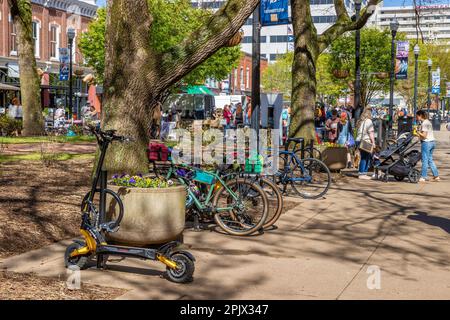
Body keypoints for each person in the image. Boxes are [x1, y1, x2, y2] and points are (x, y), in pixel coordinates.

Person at [415, 110, 440, 182]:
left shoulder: (424, 123)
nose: (416, 118)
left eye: (417, 116)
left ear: (420, 116)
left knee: (425, 160)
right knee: (430, 160)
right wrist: (418, 134)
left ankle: (423, 176)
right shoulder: (428, 122)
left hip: (427, 143)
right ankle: (436, 175)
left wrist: (417, 131)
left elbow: (424, 136)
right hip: (432, 142)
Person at [356, 108, 376, 179]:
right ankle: (362, 174)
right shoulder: (369, 121)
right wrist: (373, 142)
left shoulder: (361, 121)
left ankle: (363, 173)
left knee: (365, 156)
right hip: (365, 140)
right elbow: (371, 132)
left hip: (359, 140)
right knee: (365, 157)